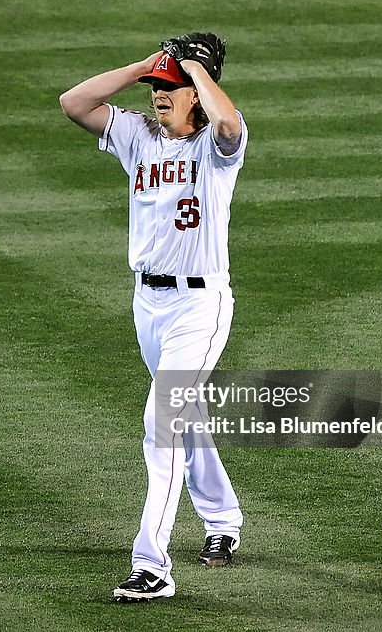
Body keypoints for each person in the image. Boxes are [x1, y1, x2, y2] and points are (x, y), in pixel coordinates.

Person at [58, 33, 248, 602]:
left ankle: (152, 564)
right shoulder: (138, 138)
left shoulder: (216, 149)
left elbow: (230, 124)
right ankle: (223, 522)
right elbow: (75, 103)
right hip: (148, 305)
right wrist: (144, 65)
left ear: (197, 92)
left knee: (161, 423)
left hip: (200, 304)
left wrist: (194, 70)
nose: (158, 96)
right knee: (182, 416)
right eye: (155, 89)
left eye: (170, 89)